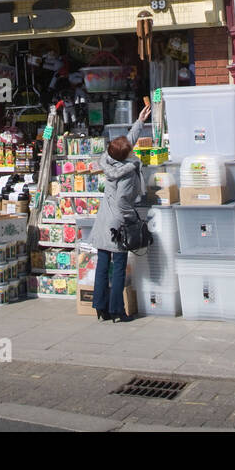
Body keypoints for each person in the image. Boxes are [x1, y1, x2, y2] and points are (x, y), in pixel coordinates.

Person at [90, 103, 152, 322]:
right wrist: (135, 219)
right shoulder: (127, 173)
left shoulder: (109, 159)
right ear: (126, 156)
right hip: (117, 223)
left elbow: (126, 142)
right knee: (118, 268)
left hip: (103, 218)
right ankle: (117, 311)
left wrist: (140, 121)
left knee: (102, 264)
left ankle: (100, 308)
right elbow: (123, 203)